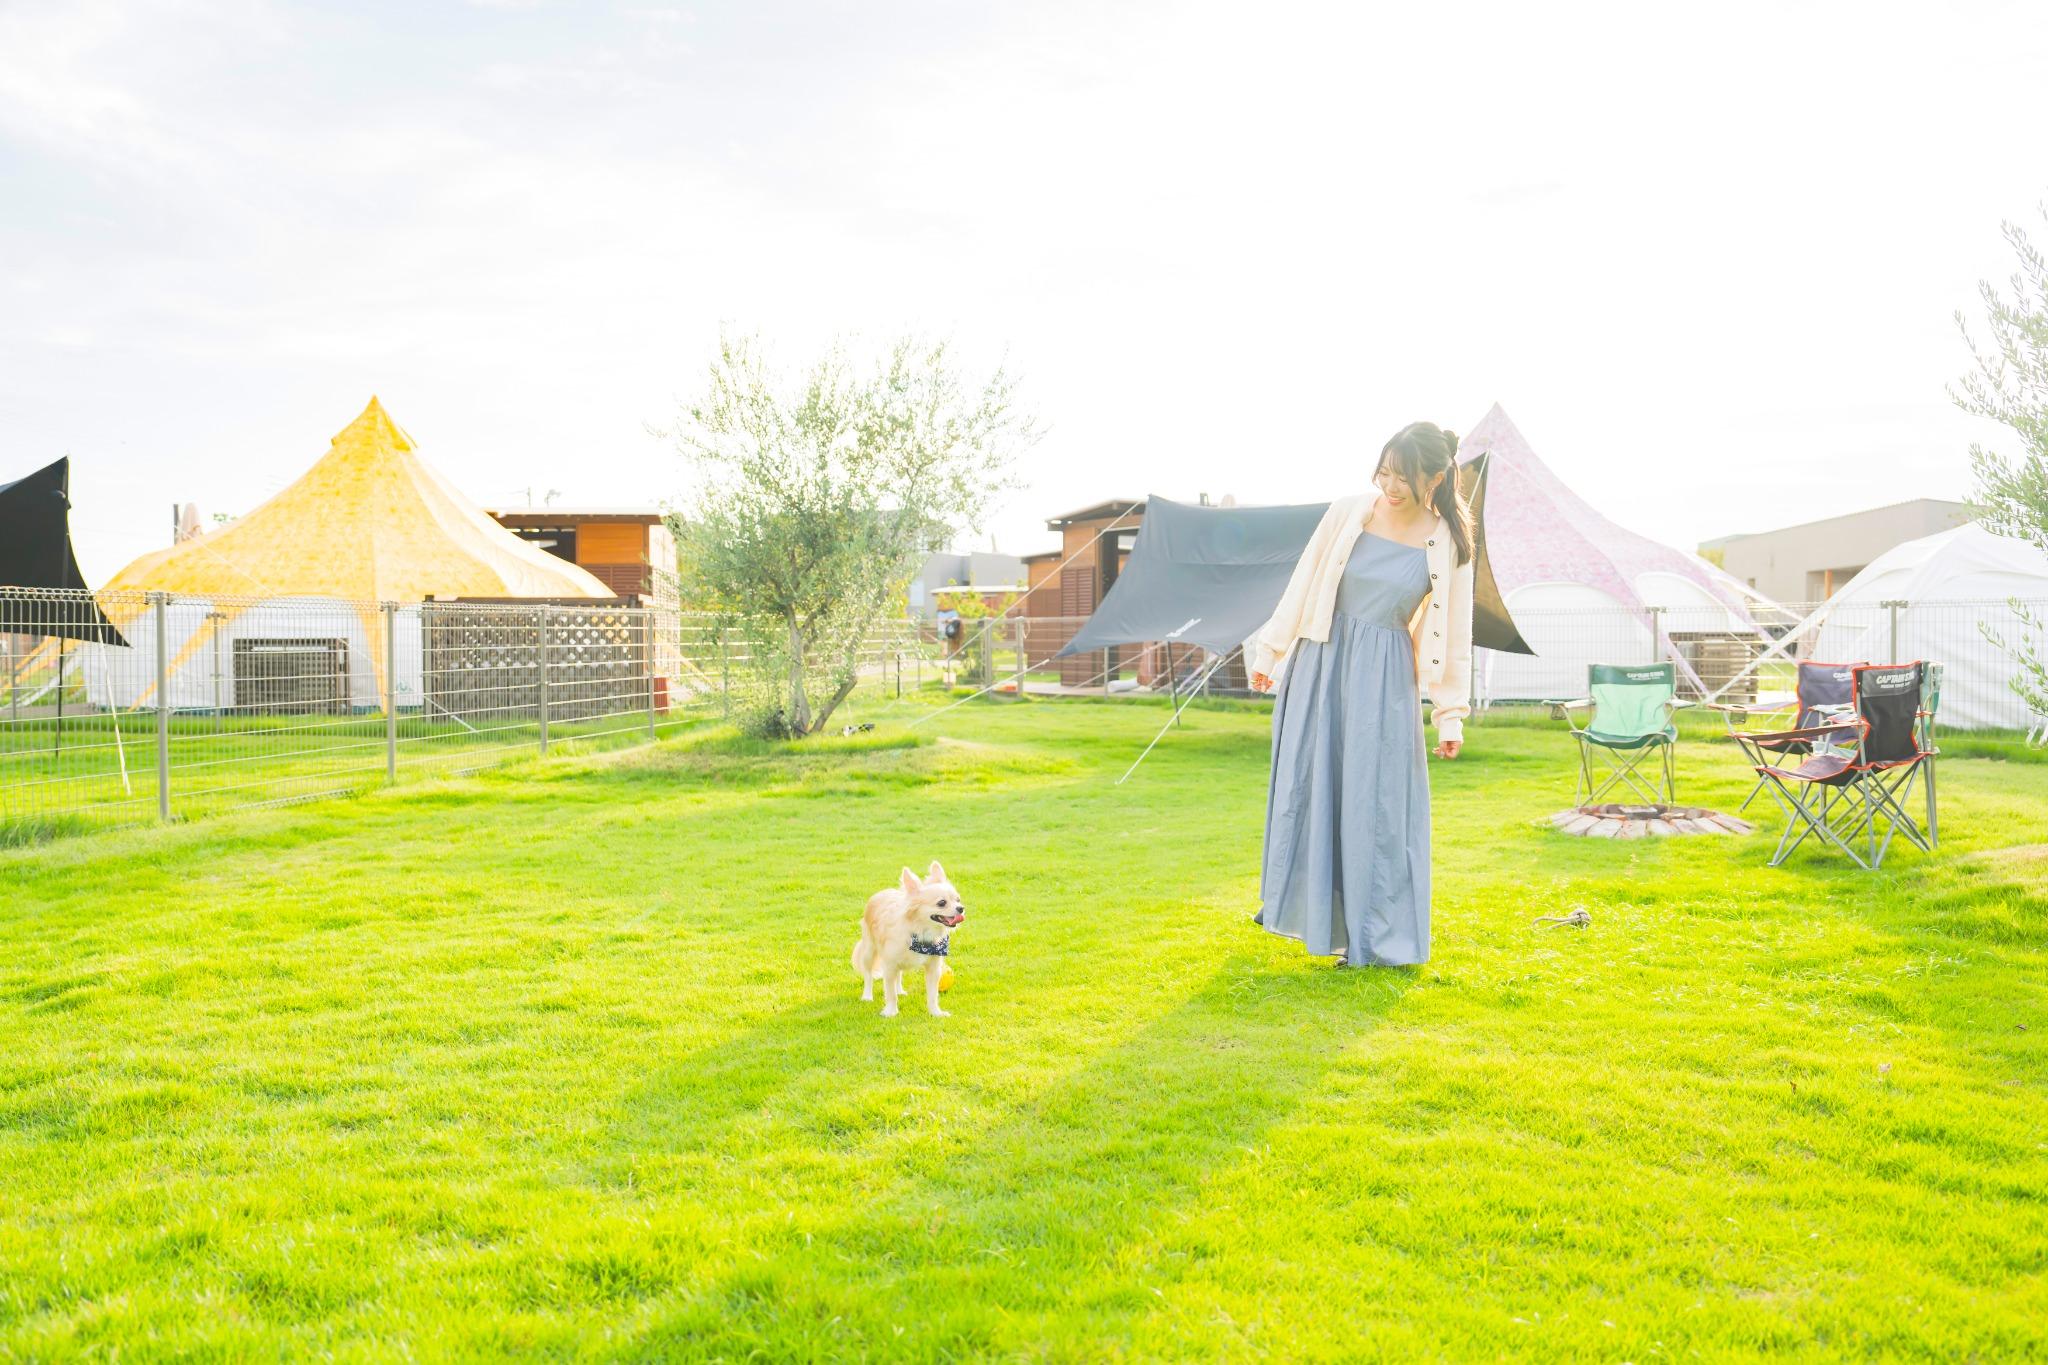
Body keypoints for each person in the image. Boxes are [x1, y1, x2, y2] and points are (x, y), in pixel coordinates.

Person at [1245, 421, 1475, 968]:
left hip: (1386, 683)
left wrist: (1450, 717)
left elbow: (1454, 634)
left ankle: (1377, 939)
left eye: (1403, 477)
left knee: (1378, 808)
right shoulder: (1349, 511)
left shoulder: (1448, 542)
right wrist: (1270, 651)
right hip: (1321, 662)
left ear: (1435, 478)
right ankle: (1315, 920)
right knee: (1313, 790)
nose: (1389, 486)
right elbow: (1304, 579)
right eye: (1384, 472)